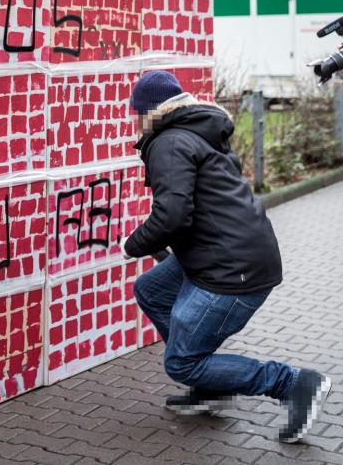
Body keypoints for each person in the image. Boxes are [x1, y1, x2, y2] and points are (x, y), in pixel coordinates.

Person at [123, 70, 331, 443]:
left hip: (231, 269)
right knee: (152, 289)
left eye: (135, 112)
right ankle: (212, 383)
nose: (132, 119)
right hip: (232, 255)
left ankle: (294, 384)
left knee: (182, 361)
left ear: (148, 111)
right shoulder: (196, 132)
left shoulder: (168, 142)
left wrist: (134, 244)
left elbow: (172, 214)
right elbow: (195, 206)